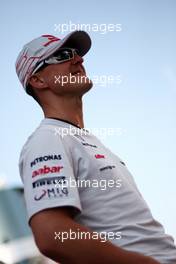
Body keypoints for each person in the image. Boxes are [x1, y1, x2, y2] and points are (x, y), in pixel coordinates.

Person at [16, 30, 176, 264]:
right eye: (62, 56)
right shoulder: (48, 138)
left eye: (77, 54)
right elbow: (52, 234)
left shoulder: (84, 140)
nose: (78, 59)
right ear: (38, 80)